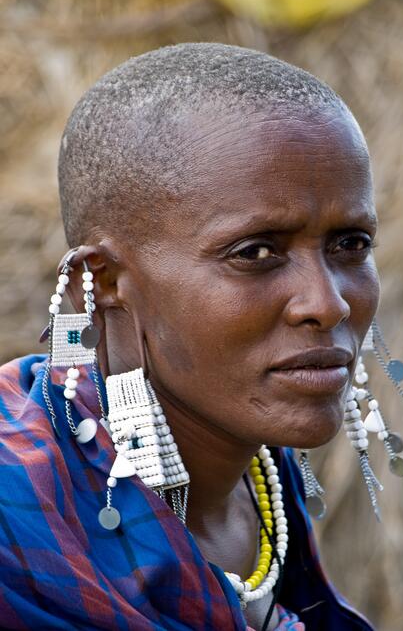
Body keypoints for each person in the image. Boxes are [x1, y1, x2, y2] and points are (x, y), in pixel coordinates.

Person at [0, 43, 379, 630]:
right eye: (255, 252)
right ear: (101, 286)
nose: (328, 303)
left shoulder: (263, 479)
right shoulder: (15, 513)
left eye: (350, 244)